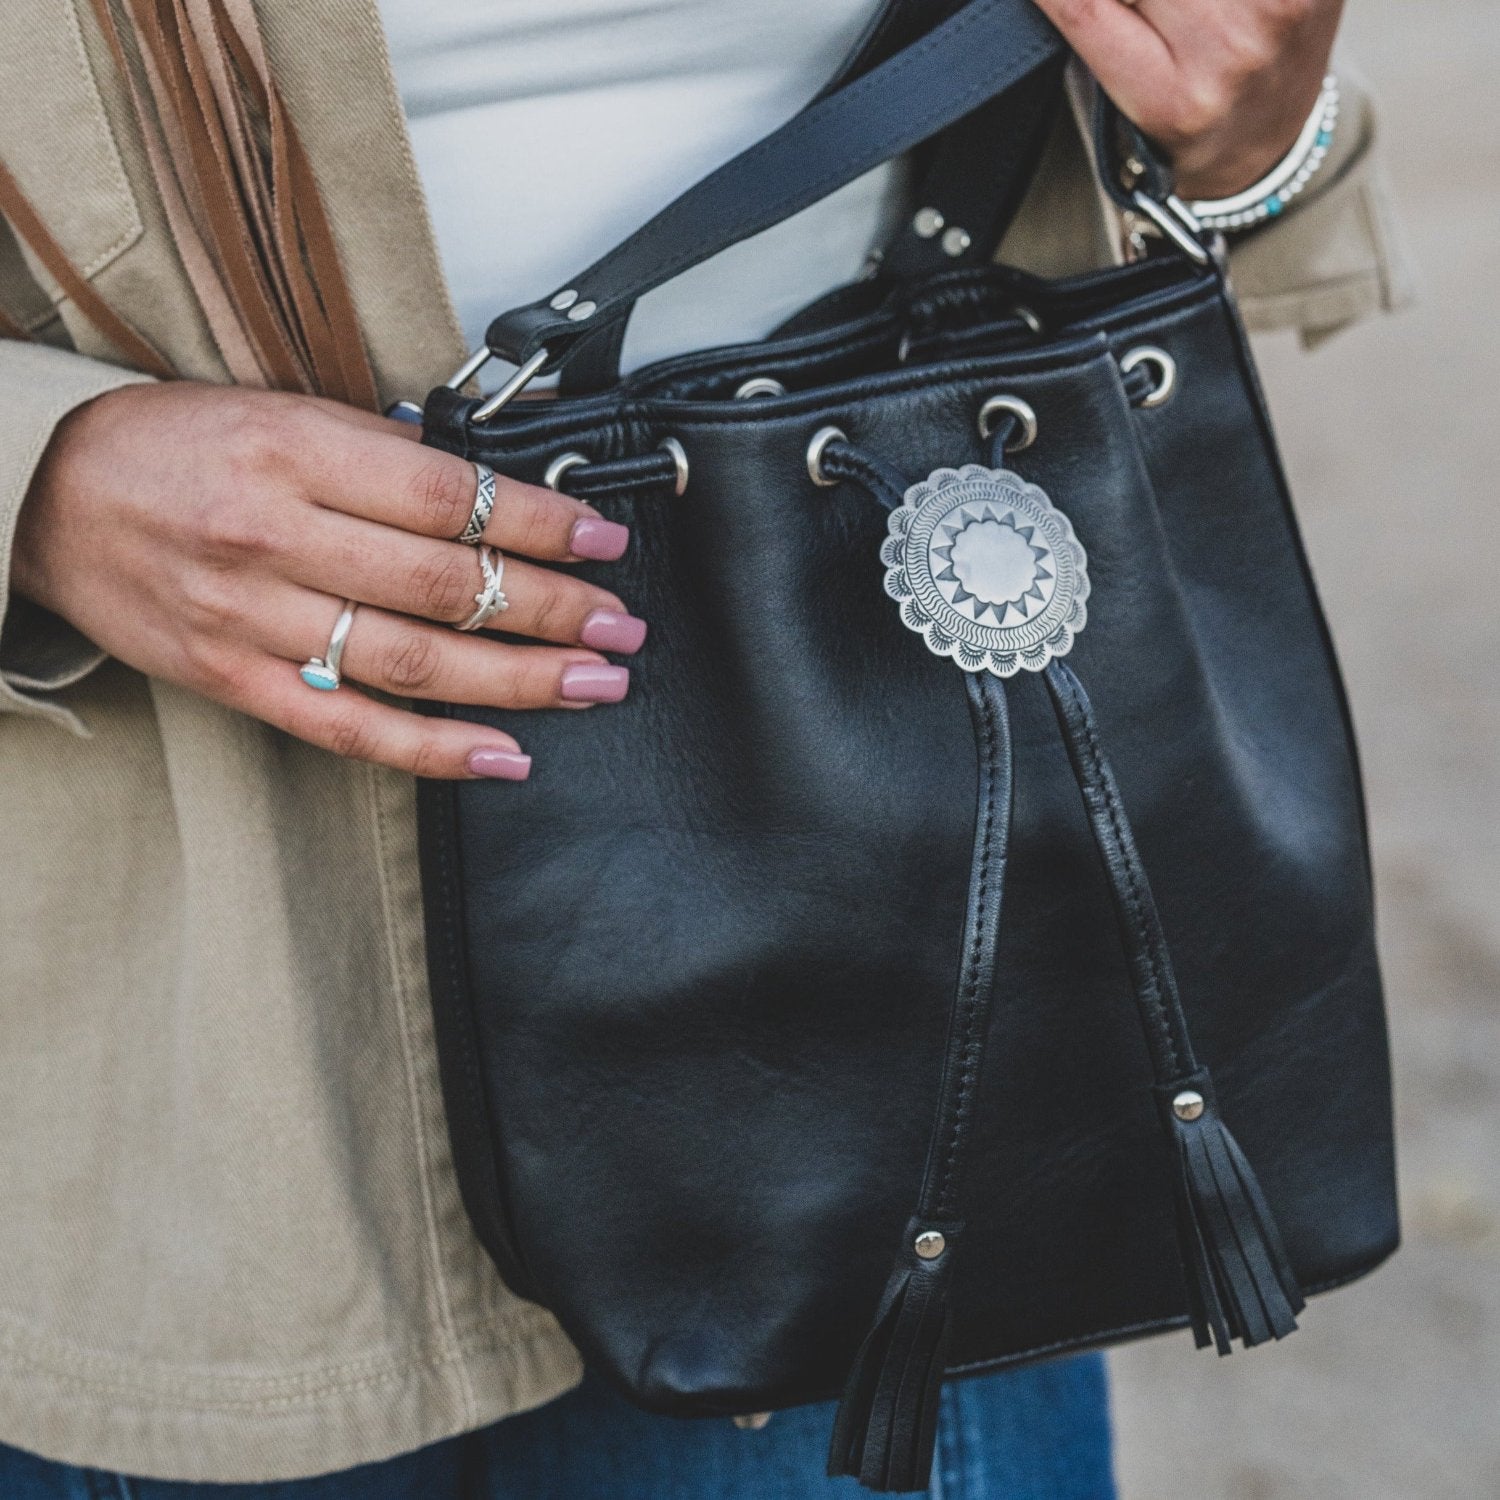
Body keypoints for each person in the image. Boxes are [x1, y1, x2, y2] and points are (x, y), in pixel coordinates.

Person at [0, 0, 1409, 1495]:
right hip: (155, 1013)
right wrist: (40, 478)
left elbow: (1197, 81)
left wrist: (1253, 137)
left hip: (892, 905)